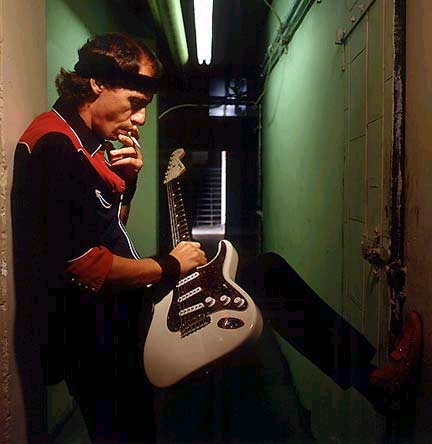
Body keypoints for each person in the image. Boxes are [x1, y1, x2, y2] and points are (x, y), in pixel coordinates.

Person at [11, 32, 207, 444]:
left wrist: (127, 185)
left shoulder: (87, 141)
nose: (140, 119)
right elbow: (87, 266)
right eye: (134, 103)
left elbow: (109, 227)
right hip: (92, 337)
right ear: (97, 82)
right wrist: (171, 265)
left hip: (113, 320)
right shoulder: (56, 146)